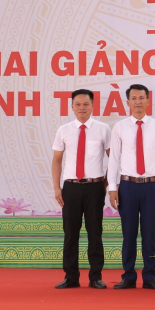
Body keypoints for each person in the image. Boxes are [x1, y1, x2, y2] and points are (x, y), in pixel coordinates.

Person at [107, 84, 155, 290]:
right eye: (133, 98)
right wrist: (112, 188)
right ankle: (128, 276)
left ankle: (150, 276)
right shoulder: (120, 127)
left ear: (148, 100)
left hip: (152, 186)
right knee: (129, 232)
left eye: (141, 98)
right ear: (128, 102)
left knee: (149, 232)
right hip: (127, 185)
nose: (138, 102)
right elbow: (113, 159)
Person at [51, 89, 111, 289]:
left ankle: (95, 277)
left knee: (95, 232)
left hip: (95, 187)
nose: (82, 108)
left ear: (92, 105)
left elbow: (115, 159)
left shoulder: (103, 129)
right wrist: (57, 188)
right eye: (78, 104)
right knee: (70, 233)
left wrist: (106, 183)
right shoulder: (64, 130)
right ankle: (71, 277)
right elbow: (57, 160)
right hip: (71, 188)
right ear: (72, 107)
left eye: (86, 104)